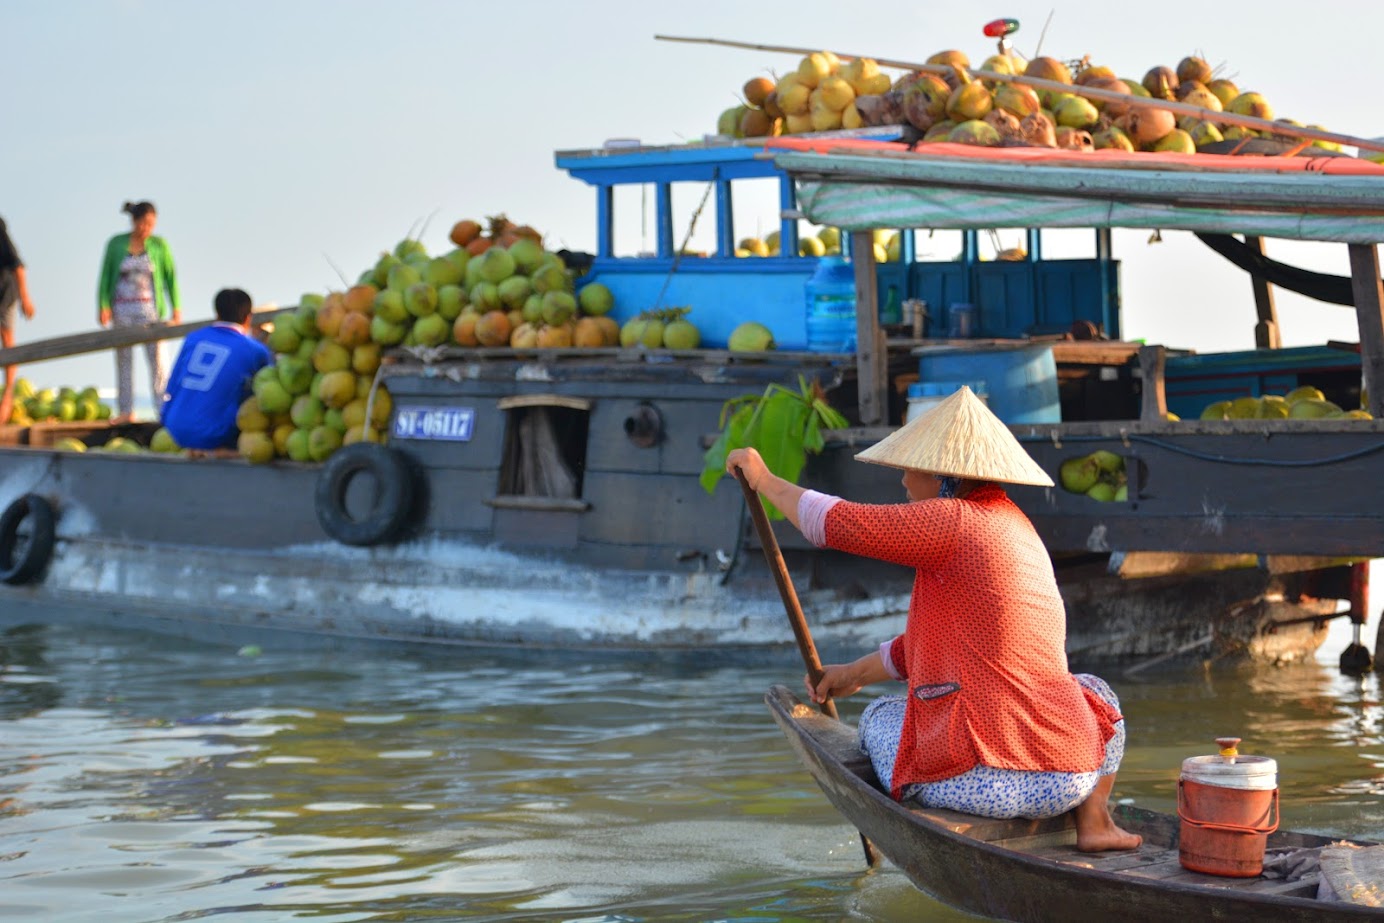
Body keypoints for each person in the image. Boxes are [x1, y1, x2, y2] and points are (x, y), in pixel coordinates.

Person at [727, 386, 1142, 853]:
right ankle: (1095, 819)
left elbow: (837, 525)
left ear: (946, 476)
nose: (905, 480)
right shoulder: (1017, 526)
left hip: (984, 783)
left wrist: (764, 480)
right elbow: (927, 644)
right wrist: (851, 675)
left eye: (913, 468)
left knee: (880, 717)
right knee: (1094, 690)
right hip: (1072, 777)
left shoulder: (953, 520)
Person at [98, 200, 181, 422]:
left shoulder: (159, 245)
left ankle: (162, 410)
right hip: (122, 309)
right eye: (143, 223)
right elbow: (105, 275)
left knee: (158, 361)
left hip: (151, 311)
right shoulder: (116, 244)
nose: (146, 228)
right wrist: (103, 305)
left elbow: (170, 278)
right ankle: (126, 411)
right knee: (124, 360)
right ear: (134, 221)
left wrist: (176, 307)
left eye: (151, 224)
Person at [161, 288, 270, 452]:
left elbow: (172, 385)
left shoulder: (193, 338)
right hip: (216, 434)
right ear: (248, 317)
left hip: (175, 428)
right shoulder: (255, 350)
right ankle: (229, 452)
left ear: (217, 313)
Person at [0, 217, 36, 425]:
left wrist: (25, 298)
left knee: (7, 340)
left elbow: (17, 265)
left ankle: (8, 396)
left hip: (4, 292)